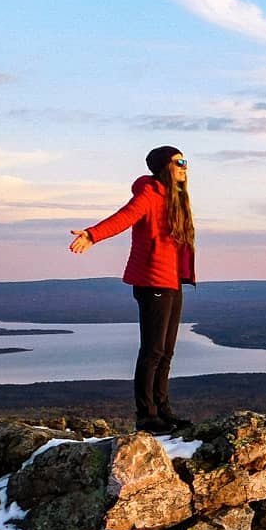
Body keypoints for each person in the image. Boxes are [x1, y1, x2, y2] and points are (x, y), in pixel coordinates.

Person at [69, 146, 196, 435]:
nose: (185, 167)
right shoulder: (149, 194)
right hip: (153, 281)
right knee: (152, 351)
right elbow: (124, 217)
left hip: (172, 281)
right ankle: (147, 416)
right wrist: (92, 234)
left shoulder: (175, 198)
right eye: (179, 162)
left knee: (166, 351)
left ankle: (163, 411)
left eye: (185, 161)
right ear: (165, 167)